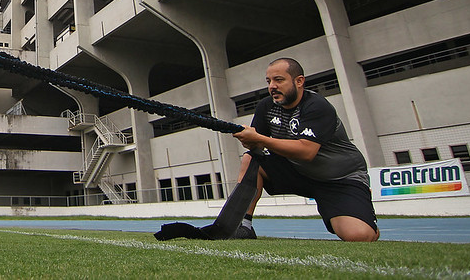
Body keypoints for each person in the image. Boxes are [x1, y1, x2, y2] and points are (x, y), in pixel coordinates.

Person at [155, 57, 378, 242]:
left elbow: (306, 151)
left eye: (279, 80)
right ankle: (242, 225)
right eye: (269, 81)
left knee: (359, 236)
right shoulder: (266, 107)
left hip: (339, 179)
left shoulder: (317, 106)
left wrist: (258, 138)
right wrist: (248, 139)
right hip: (297, 172)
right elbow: (256, 146)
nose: (272, 86)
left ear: (299, 81)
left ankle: (362, 209)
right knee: (251, 159)